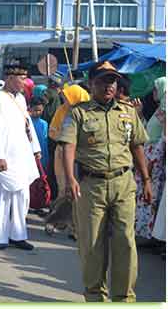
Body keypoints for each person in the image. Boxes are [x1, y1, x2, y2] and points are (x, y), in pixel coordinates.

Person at [58, 61, 152, 302]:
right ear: (91, 84)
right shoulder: (79, 113)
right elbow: (68, 146)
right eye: (103, 81)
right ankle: (95, 298)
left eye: (112, 81)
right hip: (91, 186)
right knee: (92, 246)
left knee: (125, 243)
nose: (109, 86)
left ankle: (123, 299)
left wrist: (146, 179)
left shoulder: (128, 111)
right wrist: (70, 179)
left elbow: (137, 146)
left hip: (124, 183)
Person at [0, 63, 41, 250]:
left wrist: (35, 147)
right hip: (4, 158)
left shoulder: (21, 99)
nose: (25, 82)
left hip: (21, 156)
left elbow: (27, 124)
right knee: (1, 198)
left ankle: (18, 235)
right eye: (21, 79)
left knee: (21, 197)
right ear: (9, 78)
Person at [135, 77, 166, 245]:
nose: (153, 92)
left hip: (154, 161)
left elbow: (163, 139)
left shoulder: (164, 110)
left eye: (156, 89)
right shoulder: (158, 111)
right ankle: (145, 232)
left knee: (150, 197)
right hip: (148, 158)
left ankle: (150, 236)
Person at [29, 97, 50, 173]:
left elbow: (45, 142)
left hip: (43, 156)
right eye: (35, 110)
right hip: (30, 156)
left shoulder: (44, 123)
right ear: (30, 108)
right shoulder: (27, 122)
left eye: (39, 110)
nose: (37, 112)